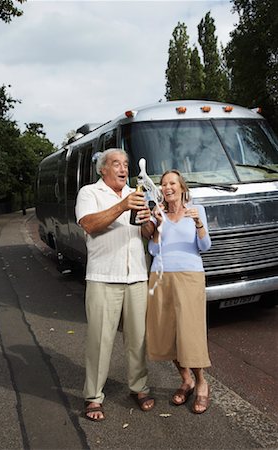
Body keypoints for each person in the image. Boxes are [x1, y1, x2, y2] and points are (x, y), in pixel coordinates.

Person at [75, 148, 155, 422]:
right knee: (100, 340)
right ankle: (93, 397)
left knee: (138, 339)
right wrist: (122, 206)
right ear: (103, 169)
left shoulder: (137, 194)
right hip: (103, 277)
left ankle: (139, 387)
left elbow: (145, 235)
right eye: (116, 164)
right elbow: (88, 224)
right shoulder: (90, 193)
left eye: (126, 164)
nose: (123, 169)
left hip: (136, 277)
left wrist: (147, 224)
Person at [146, 169, 212, 414]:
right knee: (167, 332)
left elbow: (205, 246)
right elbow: (153, 250)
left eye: (172, 183)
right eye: (163, 184)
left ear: (182, 188)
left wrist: (198, 223)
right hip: (161, 276)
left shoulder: (197, 210)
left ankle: (202, 384)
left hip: (189, 276)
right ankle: (186, 380)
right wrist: (158, 225)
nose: (167, 187)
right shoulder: (159, 214)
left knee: (189, 332)